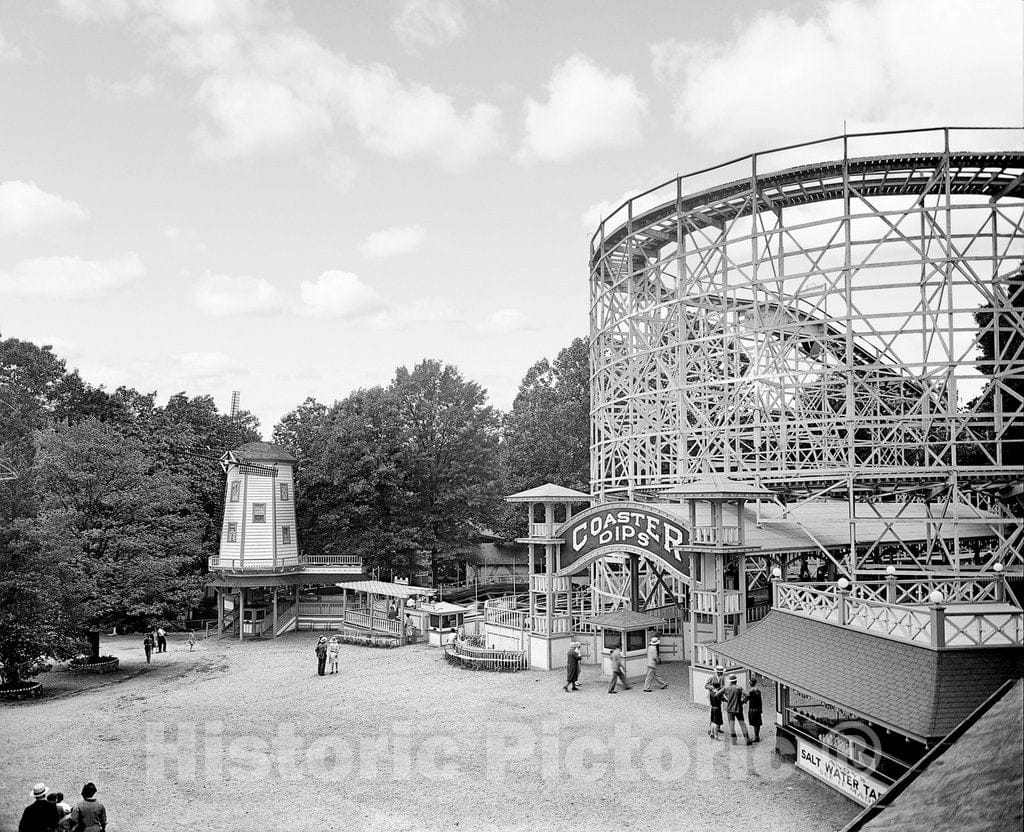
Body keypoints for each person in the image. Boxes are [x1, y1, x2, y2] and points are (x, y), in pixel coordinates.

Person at [722, 675, 753, 745]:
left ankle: (733, 741)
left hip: (730, 710)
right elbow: (747, 695)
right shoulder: (739, 688)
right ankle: (747, 740)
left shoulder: (726, 688)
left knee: (731, 726)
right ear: (736, 681)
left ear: (729, 681)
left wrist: (725, 700)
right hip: (738, 709)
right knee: (742, 725)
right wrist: (743, 701)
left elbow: (717, 694)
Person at [747, 677, 764, 742]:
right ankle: (757, 736)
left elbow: (745, 699)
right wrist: (761, 709)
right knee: (758, 723)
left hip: (752, 709)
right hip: (758, 709)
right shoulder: (758, 691)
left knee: (754, 724)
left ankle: (756, 737)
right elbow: (760, 701)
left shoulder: (750, 691)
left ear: (750, 683)